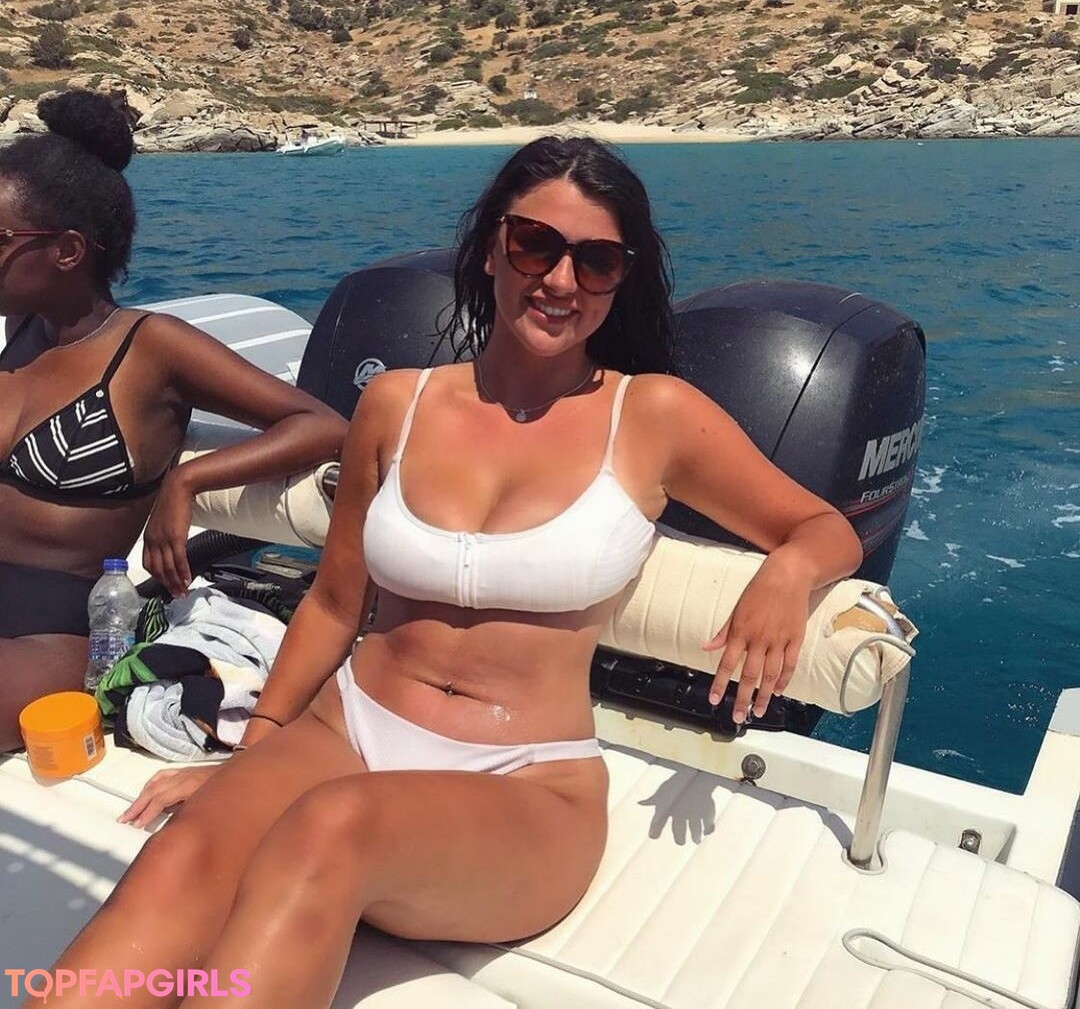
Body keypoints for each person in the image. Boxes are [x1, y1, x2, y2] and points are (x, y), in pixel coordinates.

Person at [38, 135, 862, 1008]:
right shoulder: (397, 402)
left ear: (621, 279)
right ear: (491, 247)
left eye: (596, 261)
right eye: (535, 245)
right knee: (186, 848)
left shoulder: (653, 415)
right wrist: (254, 753)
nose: (561, 280)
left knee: (330, 828)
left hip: (527, 781)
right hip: (347, 728)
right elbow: (335, 602)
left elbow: (823, 528)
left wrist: (785, 574)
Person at [0, 89, 347, 751]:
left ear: (68, 250)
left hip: (53, 629)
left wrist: (186, 481)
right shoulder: (22, 332)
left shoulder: (151, 347)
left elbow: (323, 425)